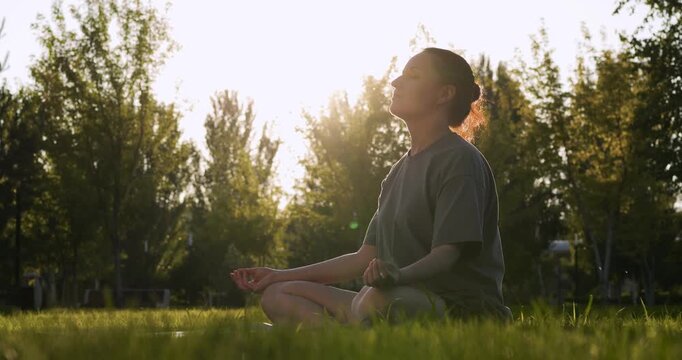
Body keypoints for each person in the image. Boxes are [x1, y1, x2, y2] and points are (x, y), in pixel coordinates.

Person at [230, 47, 512, 327]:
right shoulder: (397, 173)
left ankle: (328, 339)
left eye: (412, 75)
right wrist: (278, 275)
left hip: (460, 311)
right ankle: (347, 342)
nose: (396, 82)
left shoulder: (460, 161)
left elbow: (447, 254)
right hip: (390, 299)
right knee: (278, 294)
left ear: (444, 94)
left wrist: (397, 277)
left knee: (375, 299)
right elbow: (364, 257)